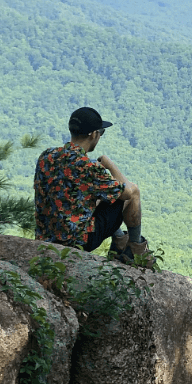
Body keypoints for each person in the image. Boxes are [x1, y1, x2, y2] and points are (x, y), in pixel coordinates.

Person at [34, 106, 153, 267]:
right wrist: (110, 165)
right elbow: (127, 193)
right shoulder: (89, 167)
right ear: (93, 134)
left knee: (100, 196)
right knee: (134, 191)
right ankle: (136, 251)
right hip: (78, 241)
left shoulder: (46, 156)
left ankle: (119, 240)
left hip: (45, 236)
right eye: (101, 132)